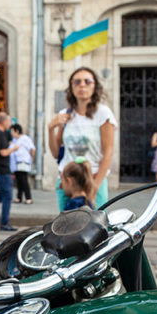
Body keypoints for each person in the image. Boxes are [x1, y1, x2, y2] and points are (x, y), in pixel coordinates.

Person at [47, 67, 117, 210]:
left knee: (96, 228)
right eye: (77, 82)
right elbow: (56, 153)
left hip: (92, 179)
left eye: (87, 81)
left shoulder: (103, 114)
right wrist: (50, 129)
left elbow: (108, 152)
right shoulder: (65, 114)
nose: (82, 85)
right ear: (71, 87)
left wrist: (95, 186)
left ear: (94, 86)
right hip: (67, 182)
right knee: (65, 229)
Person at [0, 113, 16, 231]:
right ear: (3, 122)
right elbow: (3, 152)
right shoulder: (0, 134)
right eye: (9, 121)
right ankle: (4, 223)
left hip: (1, 170)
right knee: (7, 197)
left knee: (0, 196)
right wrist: (14, 149)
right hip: (3, 170)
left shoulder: (1, 133)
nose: (10, 124)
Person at [10, 123, 35, 204]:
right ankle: (19, 197)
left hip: (23, 161)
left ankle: (28, 198)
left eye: (12, 131)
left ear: (17, 131)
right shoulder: (14, 140)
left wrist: (30, 158)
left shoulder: (25, 139)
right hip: (16, 163)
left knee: (23, 180)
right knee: (19, 180)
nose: (11, 133)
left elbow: (32, 149)